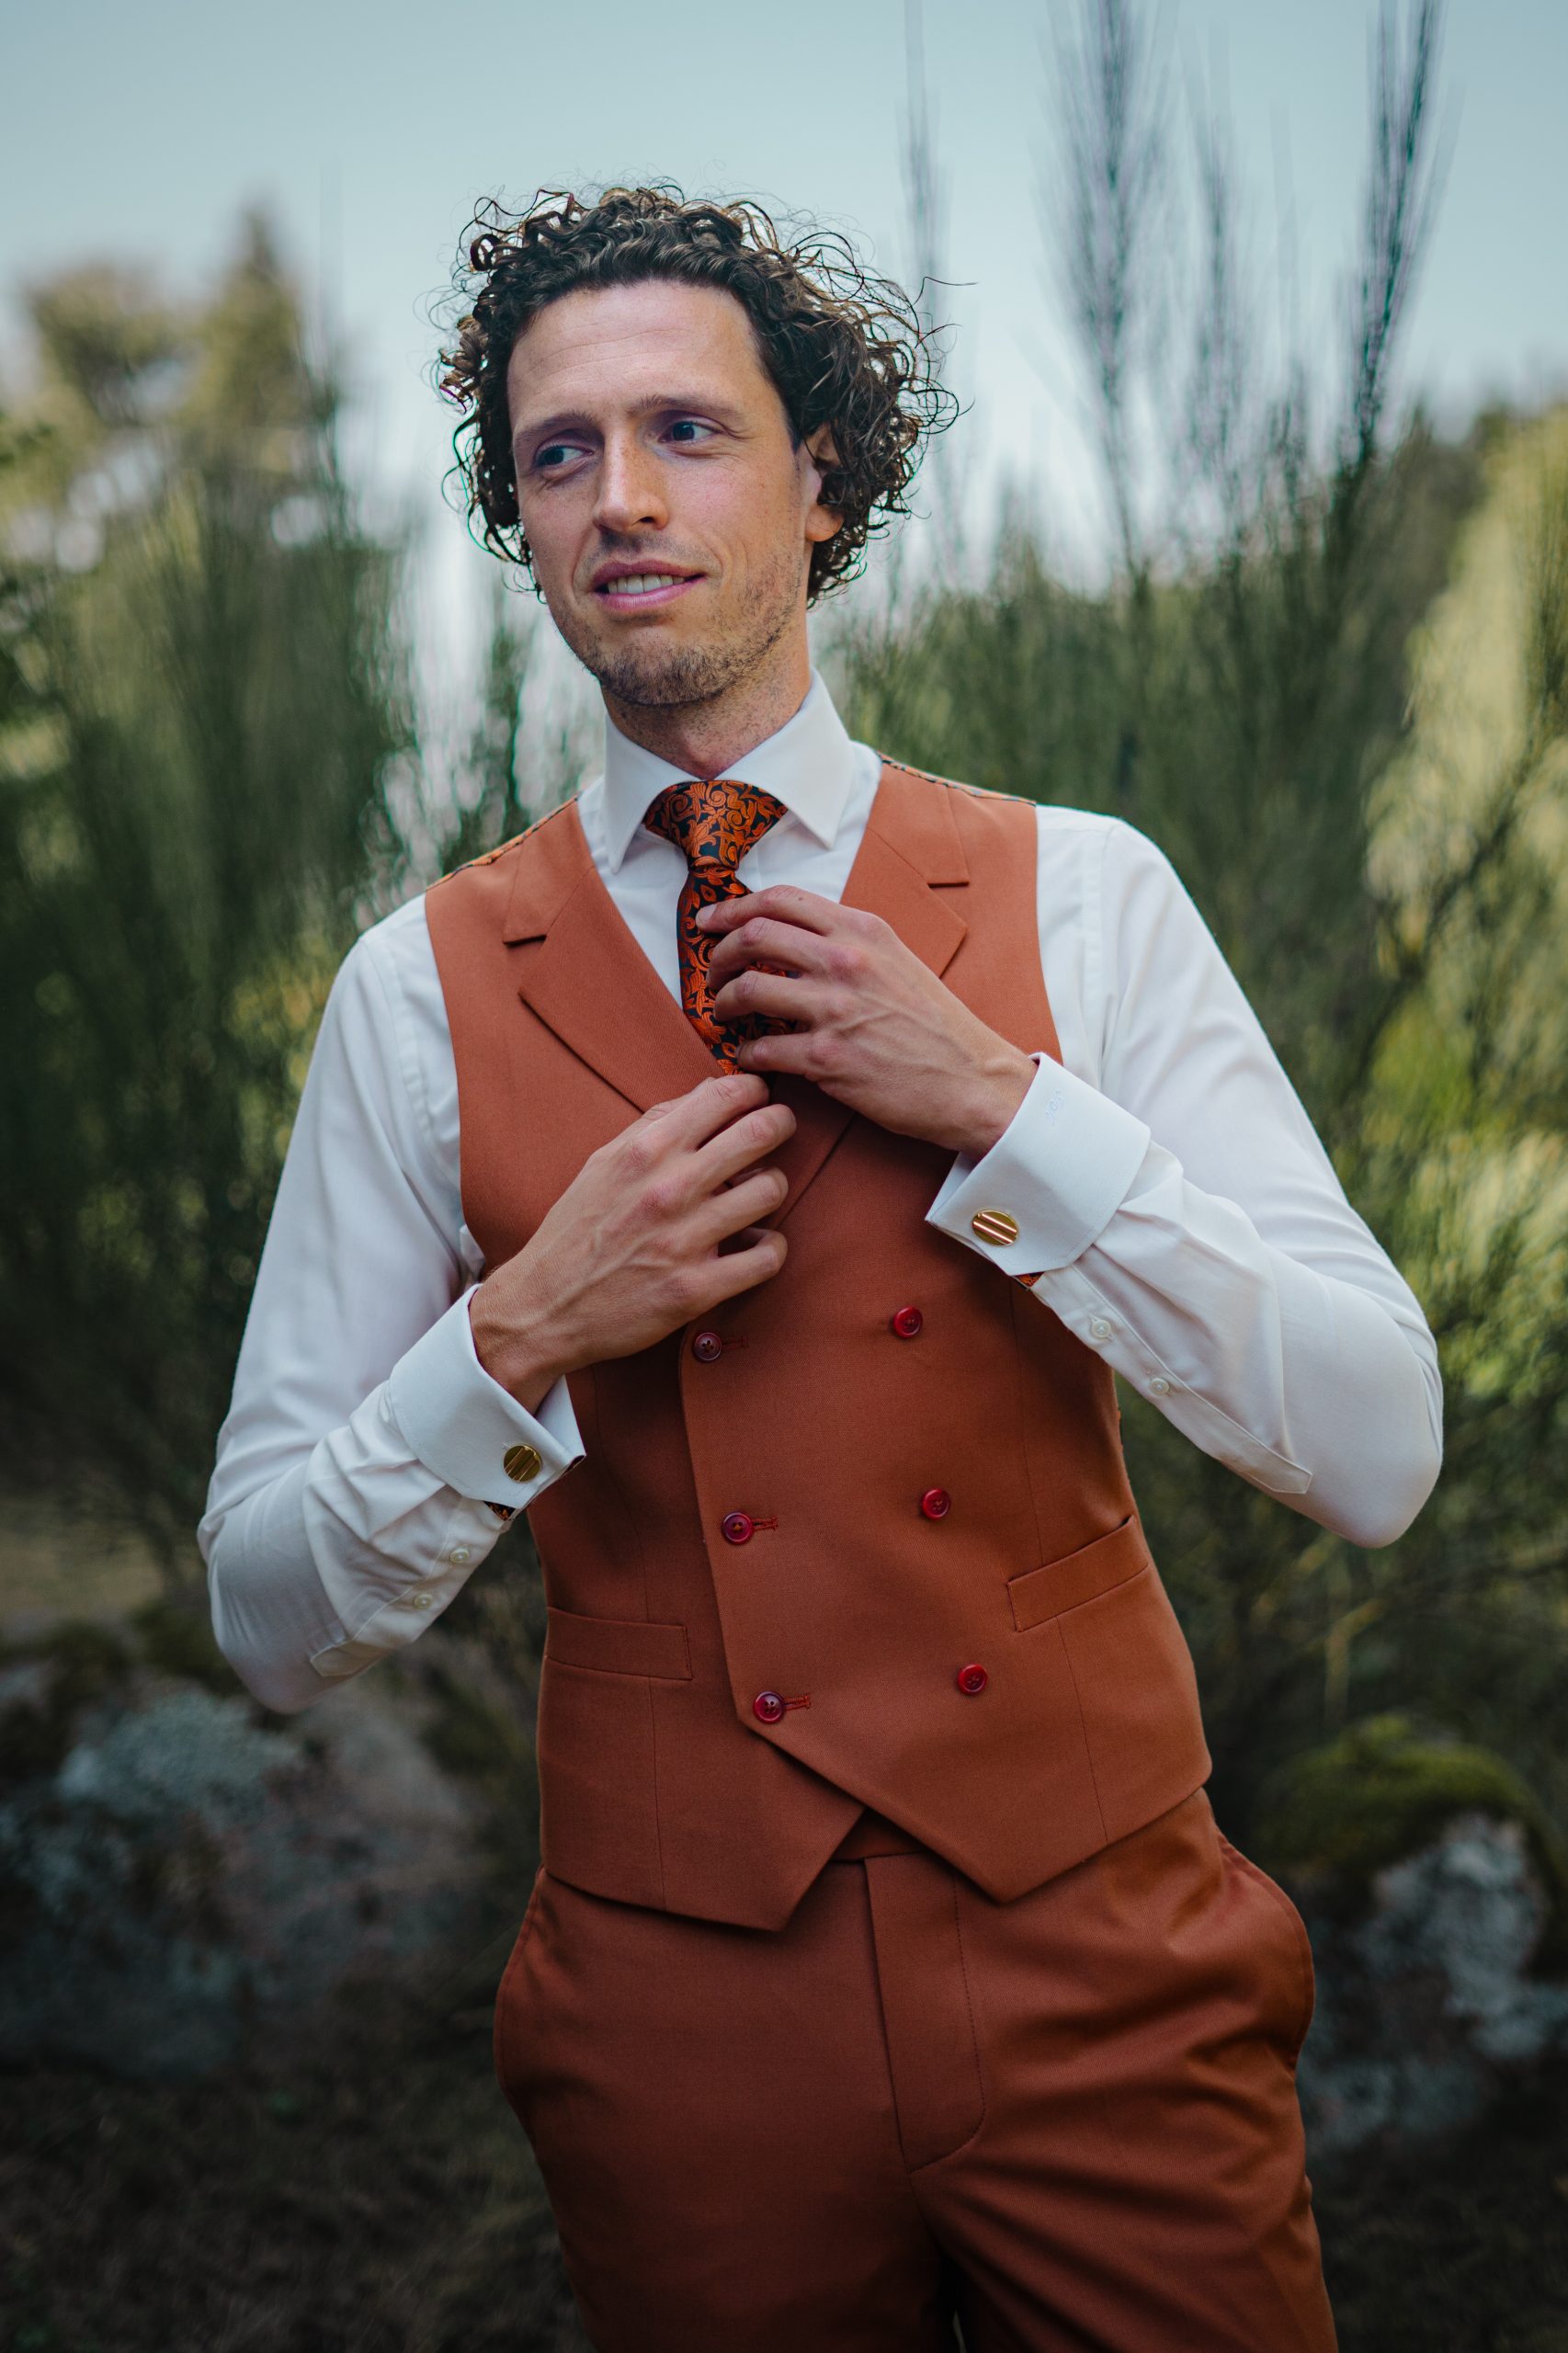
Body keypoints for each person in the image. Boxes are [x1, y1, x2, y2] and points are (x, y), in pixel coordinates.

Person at [201, 186, 1441, 2351]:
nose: (619, 494)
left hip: (1106, 1964)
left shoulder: (1088, 897)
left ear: (823, 476)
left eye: (685, 428)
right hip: (678, 2023)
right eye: (560, 451)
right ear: (521, 515)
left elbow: (1376, 1445)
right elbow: (265, 1614)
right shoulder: (414, 987)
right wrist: (524, 1328)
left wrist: (1003, 1107)